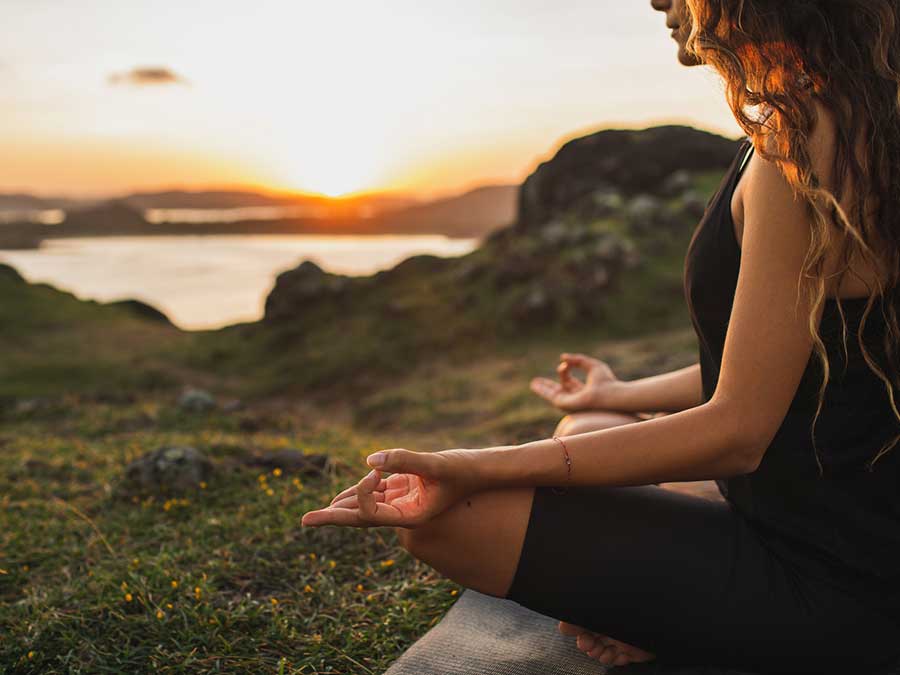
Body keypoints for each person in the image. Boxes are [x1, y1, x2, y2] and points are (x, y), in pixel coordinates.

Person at [302, 0, 900, 672]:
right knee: (590, 421)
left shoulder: (802, 149)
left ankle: (693, 626)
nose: (657, 2)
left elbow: (738, 428)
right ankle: (679, 600)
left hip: (838, 579)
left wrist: (471, 462)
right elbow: (797, 367)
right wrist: (622, 389)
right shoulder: (850, 117)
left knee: (449, 511)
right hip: (826, 513)